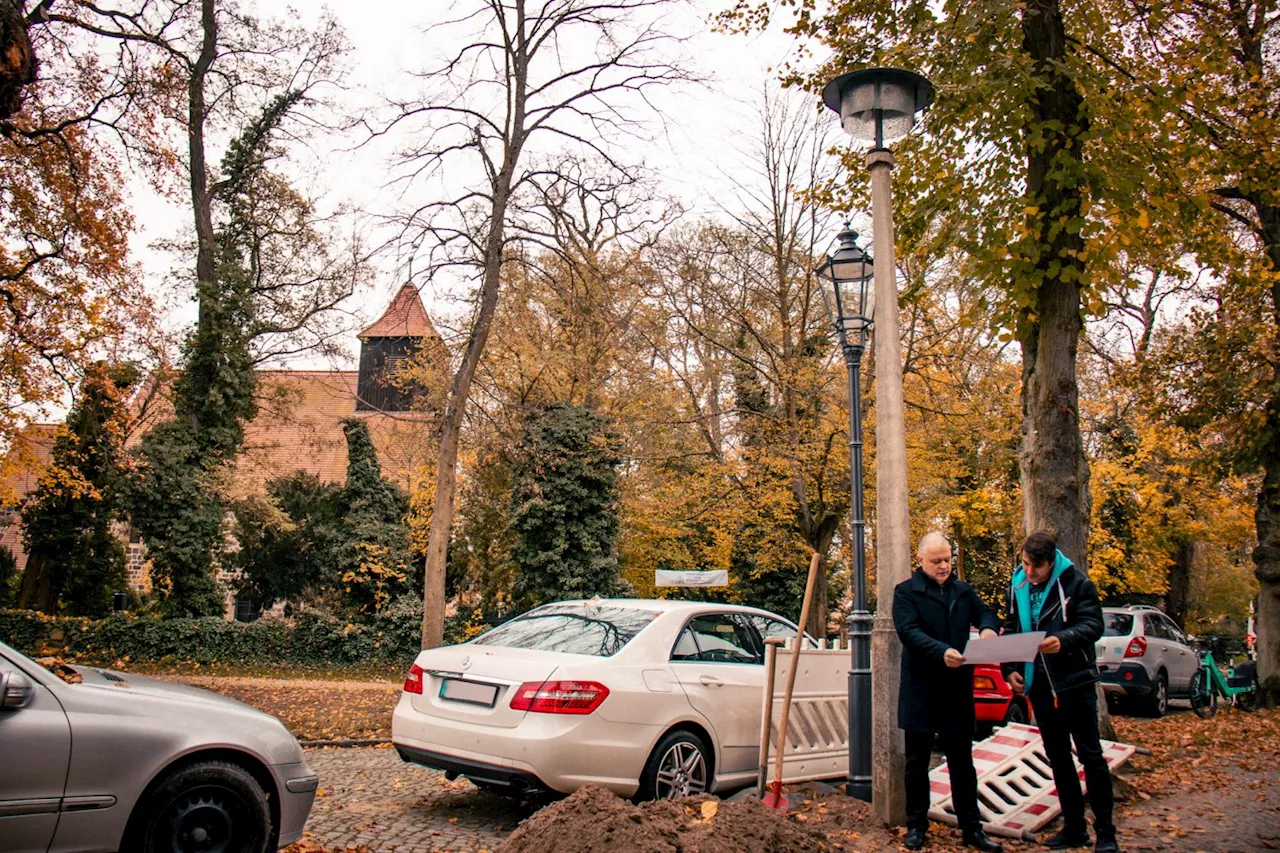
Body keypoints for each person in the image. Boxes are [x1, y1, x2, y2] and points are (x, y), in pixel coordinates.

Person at [1001, 530, 1117, 853]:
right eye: (1024, 564)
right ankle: (1074, 828)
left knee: (1091, 756)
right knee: (1058, 759)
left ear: (1051, 563)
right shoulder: (1018, 584)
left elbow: (1093, 625)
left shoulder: (1077, 584)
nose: (1029, 572)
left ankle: (1106, 833)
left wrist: (1062, 640)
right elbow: (1011, 627)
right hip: (1039, 686)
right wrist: (1009, 669)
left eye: (1035, 567)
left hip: (1074, 683)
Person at [893, 531, 1004, 852]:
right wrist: (941, 651)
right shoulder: (905, 593)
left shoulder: (963, 590)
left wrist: (987, 629)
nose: (943, 566)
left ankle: (972, 829)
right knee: (917, 763)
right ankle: (916, 826)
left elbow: (986, 613)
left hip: (957, 689)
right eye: (936, 561)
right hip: (921, 689)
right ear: (921, 560)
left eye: (947, 560)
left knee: (962, 763)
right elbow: (908, 631)